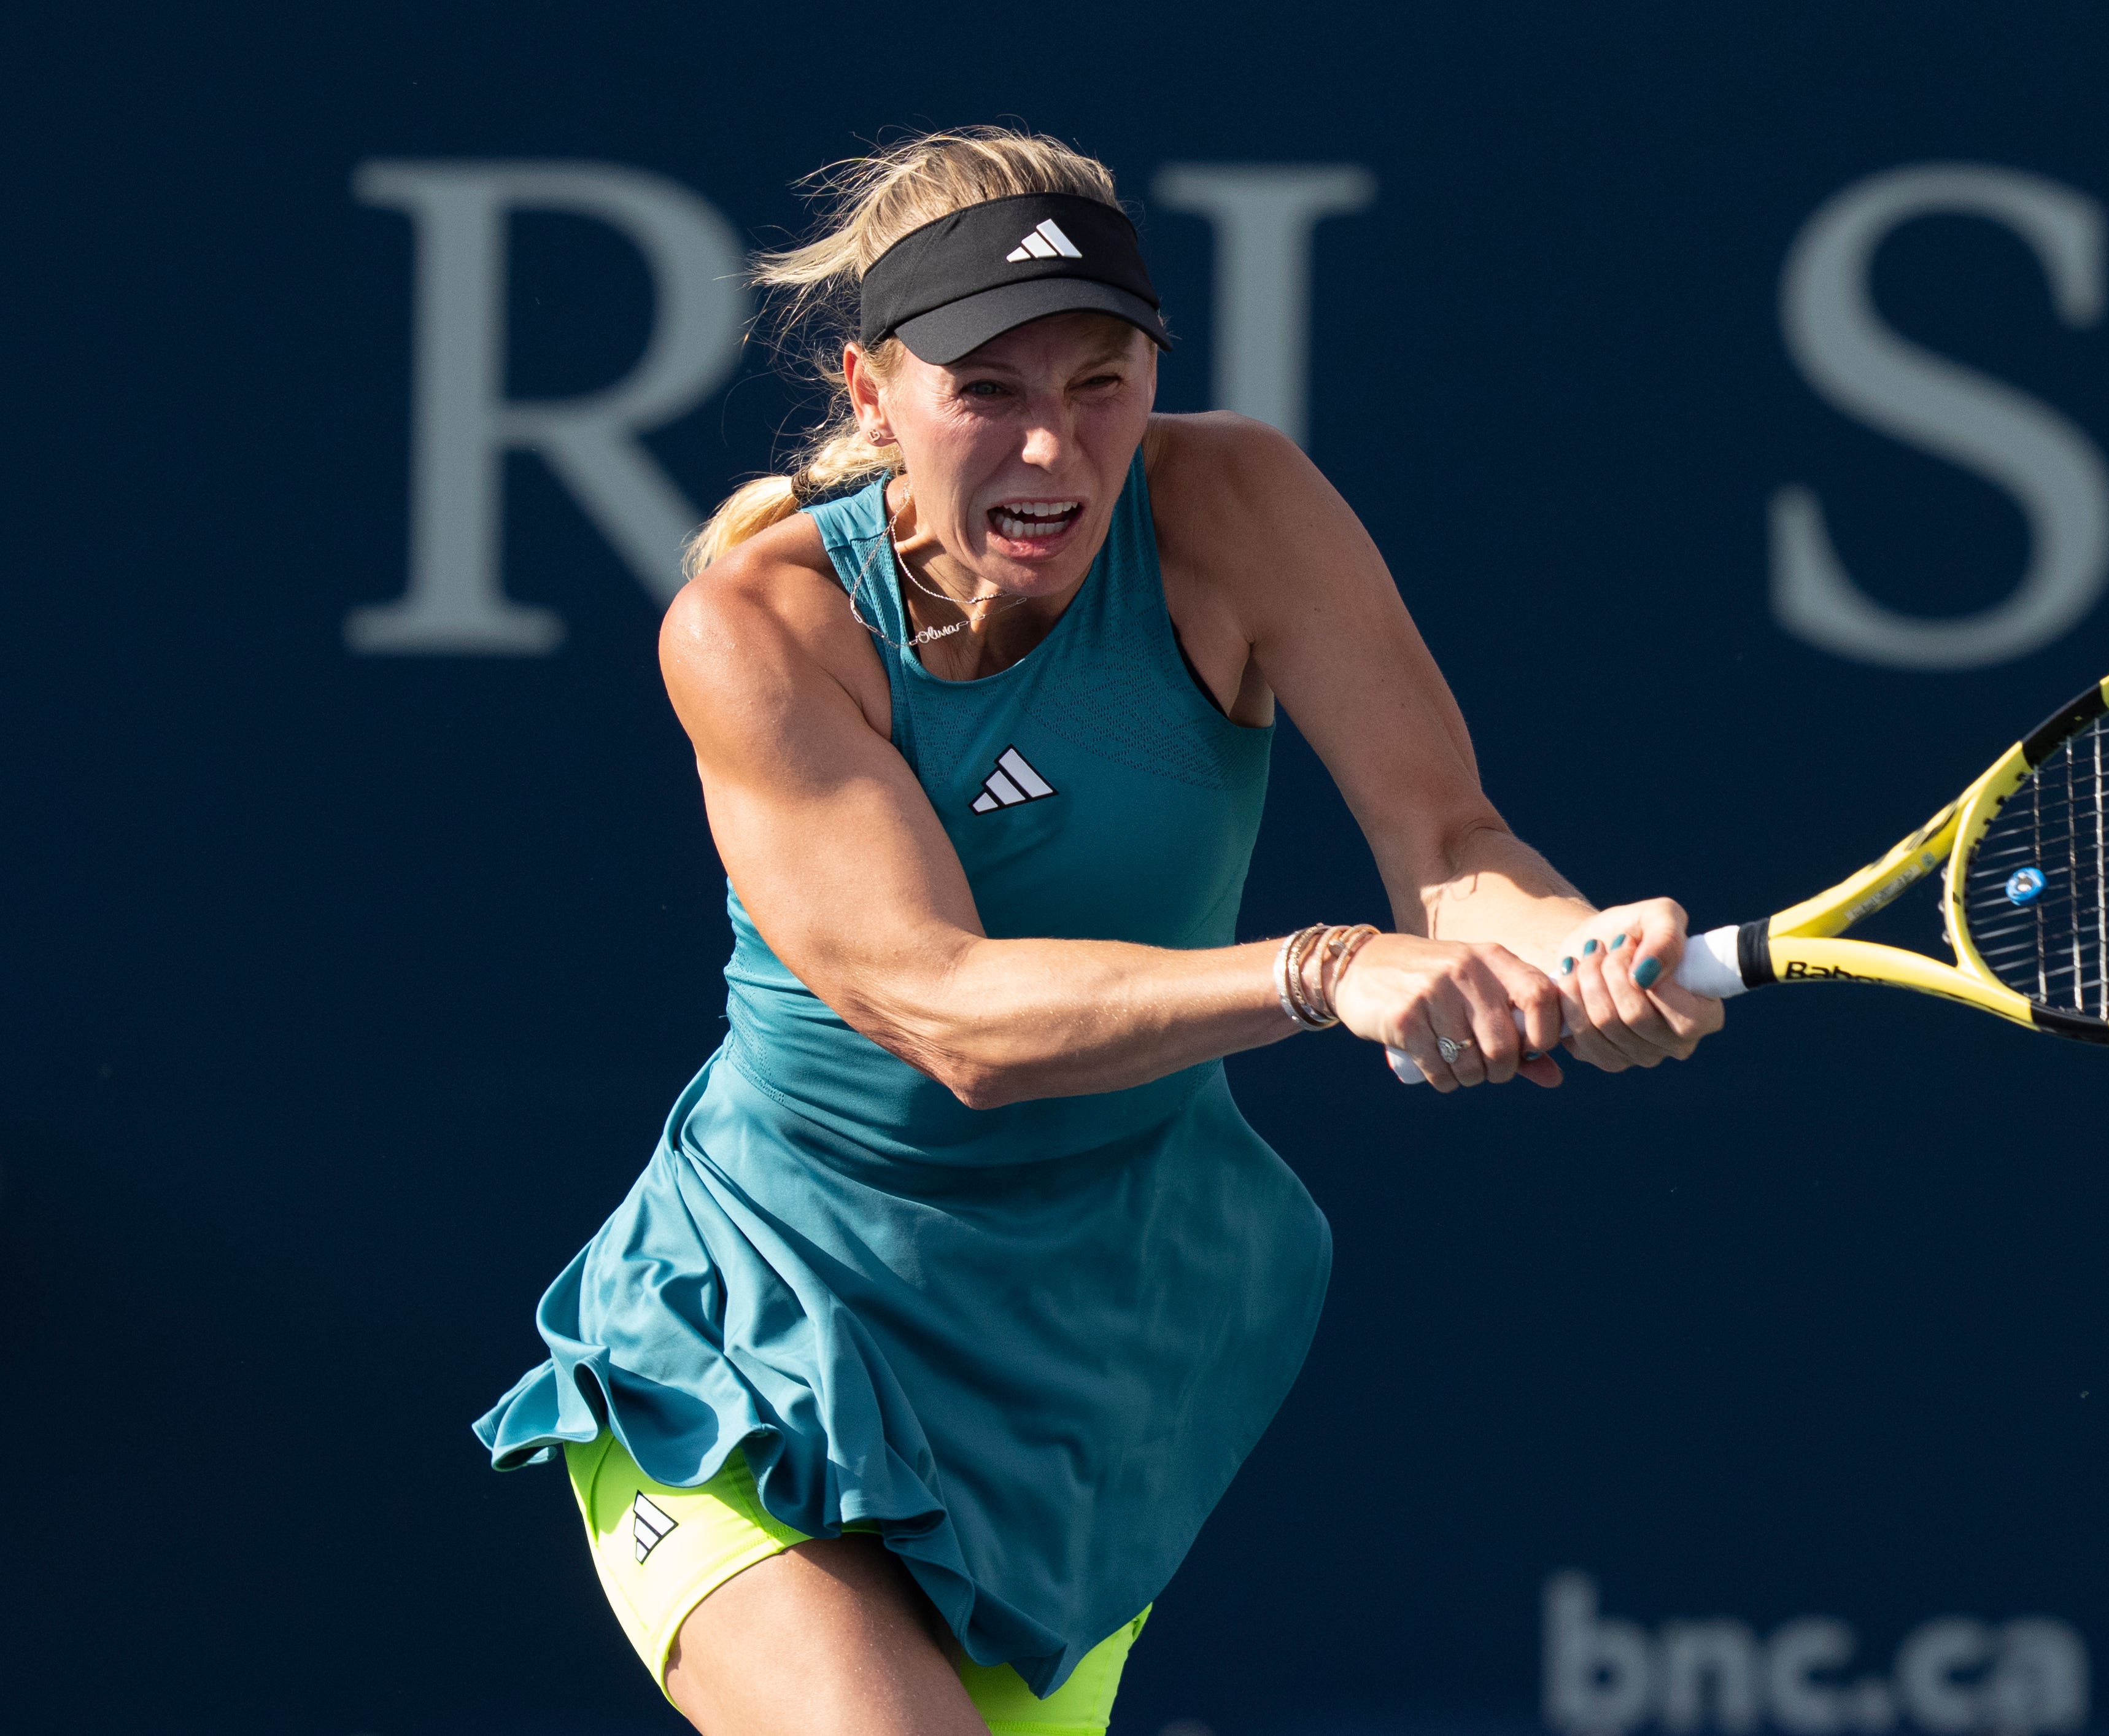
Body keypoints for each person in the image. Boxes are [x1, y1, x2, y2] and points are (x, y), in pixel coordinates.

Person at [476, 126, 1724, 1736]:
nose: (1055, 450)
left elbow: (1450, 840)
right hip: (768, 1326)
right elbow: (948, 1009)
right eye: (987, 391)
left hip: (1095, 1372)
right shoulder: (758, 626)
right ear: (871, 394)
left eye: (1099, 383)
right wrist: (1323, 968)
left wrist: (1562, 951)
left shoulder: (1242, 505)